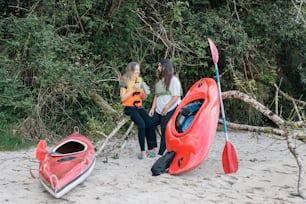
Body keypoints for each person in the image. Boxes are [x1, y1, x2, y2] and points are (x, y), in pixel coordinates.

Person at [119, 61, 158, 159]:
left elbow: (143, 97)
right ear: (130, 70)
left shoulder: (140, 80)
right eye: (136, 70)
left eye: (138, 70)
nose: (138, 72)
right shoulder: (124, 79)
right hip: (129, 107)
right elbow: (123, 98)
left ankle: (152, 148)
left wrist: (144, 91)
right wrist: (133, 89)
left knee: (150, 123)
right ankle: (143, 151)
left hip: (139, 106)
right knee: (142, 125)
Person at [149, 59, 182, 156]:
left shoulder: (174, 80)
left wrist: (167, 107)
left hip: (170, 109)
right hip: (158, 110)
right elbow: (156, 95)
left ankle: (161, 152)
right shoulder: (160, 81)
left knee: (165, 130)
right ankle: (153, 148)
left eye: (160, 66)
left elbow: (176, 96)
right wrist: (152, 108)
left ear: (165, 67)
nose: (158, 68)